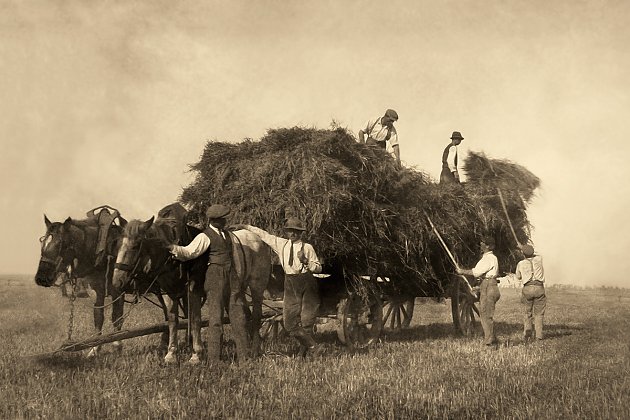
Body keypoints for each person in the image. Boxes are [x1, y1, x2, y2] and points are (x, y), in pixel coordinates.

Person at [168, 204, 250, 362]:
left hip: (231, 276)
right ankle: (214, 360)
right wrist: (172, 248)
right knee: (216, 319)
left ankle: (244, 358)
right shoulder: (204, 236)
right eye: (222, 219)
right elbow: (189, 252)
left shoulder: (228, 235)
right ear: (215, 220)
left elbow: (235, 257)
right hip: (215, 277)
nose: (225, 221)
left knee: (238, 316)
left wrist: (238, 277)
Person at [235, 217, 323, 357]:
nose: (293, 234)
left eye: (296, 231)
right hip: (290, 283)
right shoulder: (281, 244)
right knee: (289, 324)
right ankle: (313, 346)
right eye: (290, 231)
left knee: (307, 321)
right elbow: (264, 235)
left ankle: (303, 354)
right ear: (286, 232)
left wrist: (306, 261)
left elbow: (318, 268)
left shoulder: (307, 247)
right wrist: (245, 226)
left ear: (301, 233)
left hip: (307, 282)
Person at [456, 236, 501, 349]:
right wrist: (478, 288)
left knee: (486, 316)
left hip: (488, 286)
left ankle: (489, 343)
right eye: (481, 243)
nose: (481, 245)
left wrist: (462, 271)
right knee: (487, 315)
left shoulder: (488, 258)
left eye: (483, 243)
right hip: (489, 285)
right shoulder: (491, 258)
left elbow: (476, 272)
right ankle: (492, 339)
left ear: (489, 246)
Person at [515, 244, 546, 341]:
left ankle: (527, 334)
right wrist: (524, 248)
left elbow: (518, 277)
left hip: (528, 288)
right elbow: (535, 254)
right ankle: (539, 336)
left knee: (527, 313)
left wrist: (523, 250)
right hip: (539, 287)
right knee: (539, 314)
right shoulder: (539, 259)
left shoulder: (520, 263)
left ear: (523, 254)